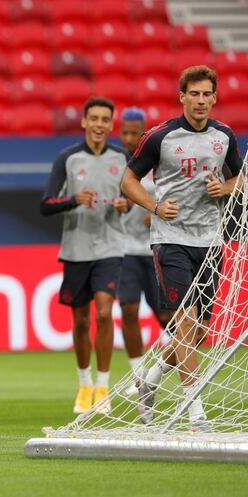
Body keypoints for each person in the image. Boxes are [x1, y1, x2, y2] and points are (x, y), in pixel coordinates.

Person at [121, 66, 242, 427]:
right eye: (194, 94)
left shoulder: (224, 136)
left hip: (211, 240)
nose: (201, 100)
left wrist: (227, 188)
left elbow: (239, 176)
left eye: (207, 94)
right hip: (170, 239)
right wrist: (154, 205)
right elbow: (128, 180)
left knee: (200, 330)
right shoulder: (161, 137)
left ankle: (151, 376)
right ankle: (195, 411)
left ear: (215, 97)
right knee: (187, 325)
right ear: (182, 97)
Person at [40, 97, 130, 415]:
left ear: (111, 124)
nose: (99, 124)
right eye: (94, 118)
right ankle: (84, 383)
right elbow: (46, 204)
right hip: (76, 249)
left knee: (104, 314)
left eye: (105, 119)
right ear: (84, 121)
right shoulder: (68, 158)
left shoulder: (122, 157)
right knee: (80, 321)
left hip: (110, 247)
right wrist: (73, 200)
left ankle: (103, 386)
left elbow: (133, 196)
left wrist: (126, 204)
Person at [117, 108, 172, 396]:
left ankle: (159, 371)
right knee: (128, 309)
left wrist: (157, 210)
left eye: (134, 133)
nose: (128, 138)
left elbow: (178, 193)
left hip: (155, 248)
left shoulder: (159, 161)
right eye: (124, 132)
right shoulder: (116, 164)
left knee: (166, 319)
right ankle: (138, 377)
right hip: (123, 250)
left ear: (144, 133)